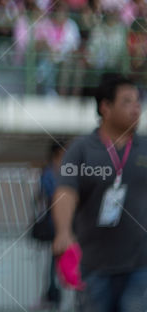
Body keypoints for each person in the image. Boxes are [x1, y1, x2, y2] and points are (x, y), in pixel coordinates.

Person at [52, 74, 147, 311]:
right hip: (93, 267)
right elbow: (66, 191)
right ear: (105, 107)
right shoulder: (81, 149)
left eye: (138, 102)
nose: (136, 108)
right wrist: (63, 231)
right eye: (127, 102)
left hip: (140, 265)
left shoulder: (144, 147)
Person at [37, 140, 65, 308]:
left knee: (59, 262)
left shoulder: (66, 172)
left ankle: (56, 294)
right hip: (53, 224)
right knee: (55, 263)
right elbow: (50, 196)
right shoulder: (49, 173)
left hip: (65, 224)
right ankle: (53, 294)